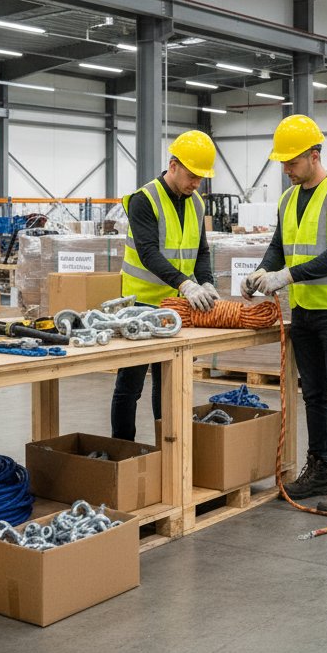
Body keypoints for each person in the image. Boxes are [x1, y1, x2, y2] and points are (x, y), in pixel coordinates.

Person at [242, 115, 327, 511]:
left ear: (314, 155)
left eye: (292, 162)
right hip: (306, 312)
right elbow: (279, 245)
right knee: (313, 395)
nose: (286, 170)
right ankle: (317, 471)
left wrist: (286, 277)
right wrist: (264, 269)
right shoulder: (288, 198)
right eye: (282, 163)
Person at [111, 130, 220, 441]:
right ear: (173, 165)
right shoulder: (144, 200)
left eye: (201, 178)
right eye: (191, 175)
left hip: (174, 307)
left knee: (169, 383)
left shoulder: (196, 202)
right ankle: (123, 450)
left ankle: (168, 451)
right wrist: (186, 284)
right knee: (129, 386)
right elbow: (148, 252)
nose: (196, 183)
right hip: (139, 304)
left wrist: (206, 282)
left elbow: (201, 251)